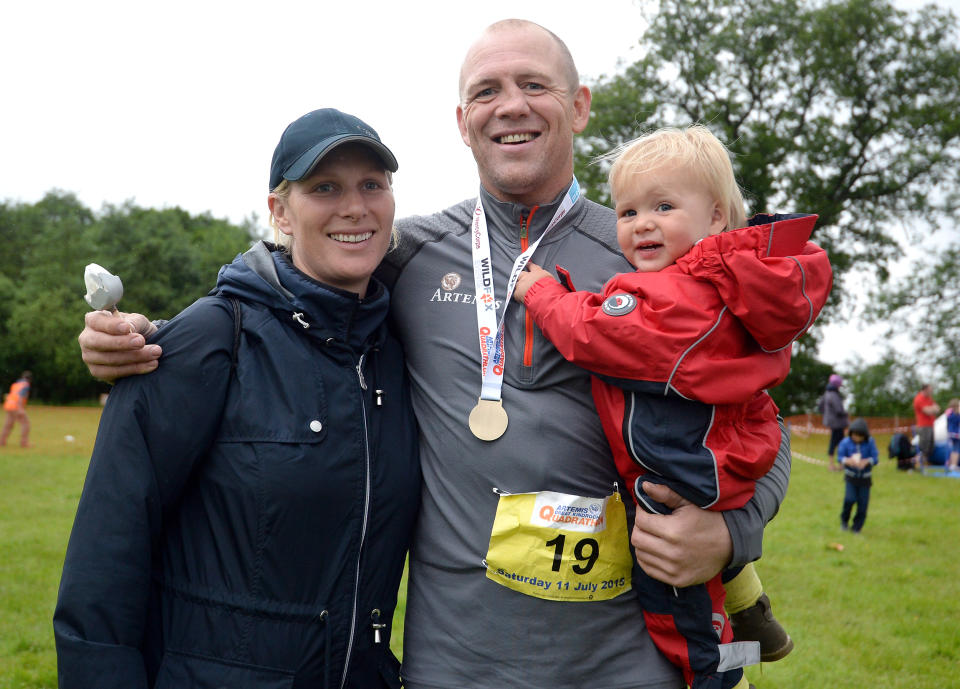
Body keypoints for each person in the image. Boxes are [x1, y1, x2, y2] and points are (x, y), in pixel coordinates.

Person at [77, 20, 795, 689]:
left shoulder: (652, 250)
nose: (509, 105)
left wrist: (729, 532)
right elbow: (289, 281)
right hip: (452, 663)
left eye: (534, 85)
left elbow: (757, 415)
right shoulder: (412, 252)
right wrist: (153, 336)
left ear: (578, 106)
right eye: (486, 91)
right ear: (462, 123)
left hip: (626, 660)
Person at [54, 109, 421, 688]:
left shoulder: (398, 349)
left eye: (371, 185)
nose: (354, 207)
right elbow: (106, 554)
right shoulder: (209, 337)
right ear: (280, 211)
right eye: (324, 188)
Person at [512, 126, 831, 688]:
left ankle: (731, 674)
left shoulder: (681, 294)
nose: (642, 223)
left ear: (714, 218)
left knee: (681, 625)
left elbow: (596, 333)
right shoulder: (722, 283)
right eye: (628, 210)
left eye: (663, 206)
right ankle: (752, 612)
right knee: (708, 578)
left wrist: (544, 294)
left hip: (677, 474)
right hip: (718, 455)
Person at [836, 418, 879, 533]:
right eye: (854, 435)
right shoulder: (845, 442)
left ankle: (857, 527)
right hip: (851, 477)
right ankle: (844, 522)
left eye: (860, 435)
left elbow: (875, 458)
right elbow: (840, 457)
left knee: (863, 505)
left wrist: (866, 461)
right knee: (849, 500)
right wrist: (847, 461)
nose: (856, 438)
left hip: (865, 479)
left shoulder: (870, 442)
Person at [821, 374, 849, 469]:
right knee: (839, 443)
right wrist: (846, 413)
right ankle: (835, 465)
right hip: (838, 424)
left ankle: (836, 464)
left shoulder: (826, 393)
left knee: (835, 442)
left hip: (832, 423)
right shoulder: (834, 395)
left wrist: (827, 416)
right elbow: (839, 410)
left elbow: (820, 407)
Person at [0, 370, 32, 448]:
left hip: (8, 405)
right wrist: (20, 408)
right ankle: (24, 443)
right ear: (30, 379)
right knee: (26, 424)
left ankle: (2, 441)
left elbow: (11, 395)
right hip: (16, 407)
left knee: (8, 425)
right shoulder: (26, 385)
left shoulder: (16, 384)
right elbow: (21, 396)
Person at [913, 383, 940, 467]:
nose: (931, 391)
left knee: (930, 445)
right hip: (923, 426)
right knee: (924, 445)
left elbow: (938, 408)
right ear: (925, 389)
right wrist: (932, 409)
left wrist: (932, 409)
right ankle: (918, 462)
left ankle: (925, 461)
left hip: (931, 425)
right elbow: (927, 411)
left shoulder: (929, 398)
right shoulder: (919, 399)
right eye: (930, 390)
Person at [946, 398, 959, 474]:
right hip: (956, 434)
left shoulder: (949, 414)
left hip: (950, 433)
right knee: (956, 449)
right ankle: (953, 464)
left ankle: (951, 464)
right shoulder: (956, 414)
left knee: (952, 449)